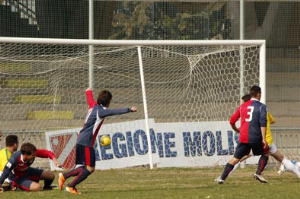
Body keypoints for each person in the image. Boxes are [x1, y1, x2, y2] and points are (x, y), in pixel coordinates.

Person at [58, 88, 137, 194]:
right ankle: (71, 186)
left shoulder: (93, 105)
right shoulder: (101, 111)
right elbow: (114, 112)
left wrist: (88, 91)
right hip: (86, 142)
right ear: (108, 101)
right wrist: (129, 109)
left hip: (80, 139)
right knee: (90, 169)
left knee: (82, 167)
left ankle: (63, 176)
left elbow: (89, 98)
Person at [228, 94, 300, 178]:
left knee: (239, 158)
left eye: (243, 102)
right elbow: (272, 121)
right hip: (268, 140)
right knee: (281, 159)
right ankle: (259, 173)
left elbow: (250, 125)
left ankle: (225, 176)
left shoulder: (253, 113)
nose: (242, 104)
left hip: (259, 141)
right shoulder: (264, 111)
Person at [215, 85, 269, 184]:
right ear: (258, 94)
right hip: (255, 136)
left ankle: (222, 178)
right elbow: (263, 123)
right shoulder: (262, 107)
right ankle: (258, 173)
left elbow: (232, 120)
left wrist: (236, 129)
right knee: (266, 152)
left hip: (243, 137)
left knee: (235, 159)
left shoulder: (242, 106)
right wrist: (263, 138)